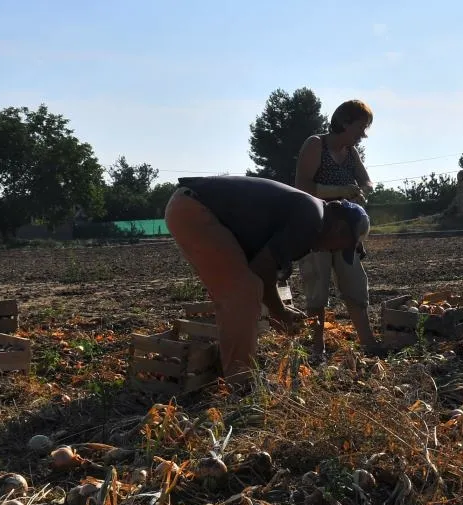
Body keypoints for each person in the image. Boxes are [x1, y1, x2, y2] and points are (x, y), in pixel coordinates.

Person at [164, 175, 371, 380]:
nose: (332, 250)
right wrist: (279, 312)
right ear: (339, 227)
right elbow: (261, 271)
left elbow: (263, 268)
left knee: (242, 288)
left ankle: (231, 367)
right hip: (194, 208)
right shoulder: (311, 219)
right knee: (243, 291)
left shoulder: (312, 214)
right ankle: (241, 380)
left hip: (191, 205)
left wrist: (279, 307)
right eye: (340, 246)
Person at [294, 99, 384, 359]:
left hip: (346, 231)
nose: (363, 134)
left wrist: (363, 190)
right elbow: (302, 186)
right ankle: (317, 348)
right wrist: (339, 192)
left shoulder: (351, 152)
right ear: (344, 123)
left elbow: (366, 179)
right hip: (315, 230)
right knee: (317, 291)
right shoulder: (315, 145)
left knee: (355, 285)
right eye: (360, 127)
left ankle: (368, 342)